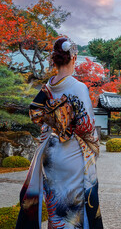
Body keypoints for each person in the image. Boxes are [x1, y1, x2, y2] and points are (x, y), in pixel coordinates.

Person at [16, 38, 103, 229]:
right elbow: (86, 128)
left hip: (50, 153)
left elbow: (37, 114)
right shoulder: (79, 88)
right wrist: (95, 147)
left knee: (55, 209)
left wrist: (56, 122)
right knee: (72, 212)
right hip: (71, 156)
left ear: (54, 60)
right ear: (73, 58)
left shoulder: (48, 86)